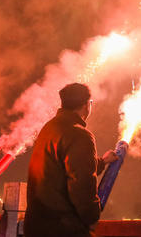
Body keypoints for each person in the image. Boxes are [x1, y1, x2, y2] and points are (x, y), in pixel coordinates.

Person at [24, 83, 118, 237]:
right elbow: (82, 183)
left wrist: (102, 162)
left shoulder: (49, 128)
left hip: (36, 227)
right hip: (63, 228)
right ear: (86, 104)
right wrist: (92, 217)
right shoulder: (80, 135)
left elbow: (60, 168)